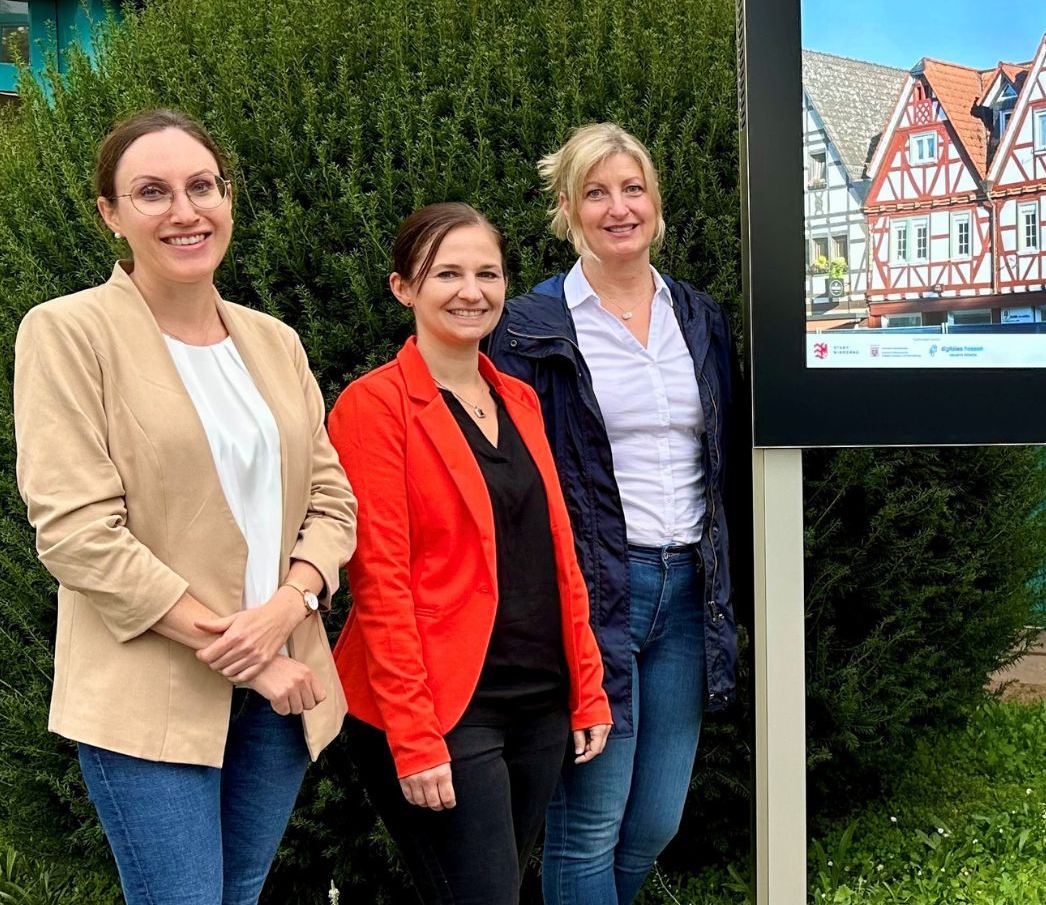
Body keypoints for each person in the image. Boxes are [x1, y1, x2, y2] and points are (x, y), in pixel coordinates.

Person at [12, 108, 355, 904]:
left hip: (283, 692)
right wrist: (248, 652)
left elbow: (333, 501)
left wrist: (289, 607)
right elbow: (76, 534)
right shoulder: (66, 333)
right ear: (110, 215)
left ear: (227, 197)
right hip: (150, 694)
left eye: (202, 186)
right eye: (152, 192)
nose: (185, 211)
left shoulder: (274, 341)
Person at [484, 123, 741, 904]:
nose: (618, 207)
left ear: (657, 204)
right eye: (596, 192)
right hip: (595, 592)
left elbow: (725, 457)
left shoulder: (698, 318)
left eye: (633, 189)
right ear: (567, 208)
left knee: (656, 822)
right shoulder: (527, 329)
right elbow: (508, 481)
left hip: (688, 589)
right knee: (589, 825)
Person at [329, 202, 612, 904]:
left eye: (487, 273)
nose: (471, 290)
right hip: (444, 707)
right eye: (447, 272)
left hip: (538, 700)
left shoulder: (518, 397)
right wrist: (415, 737)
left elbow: (558, 555)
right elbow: (380, 583)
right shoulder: (373, 407)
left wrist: (588, 686)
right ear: (404, 288)